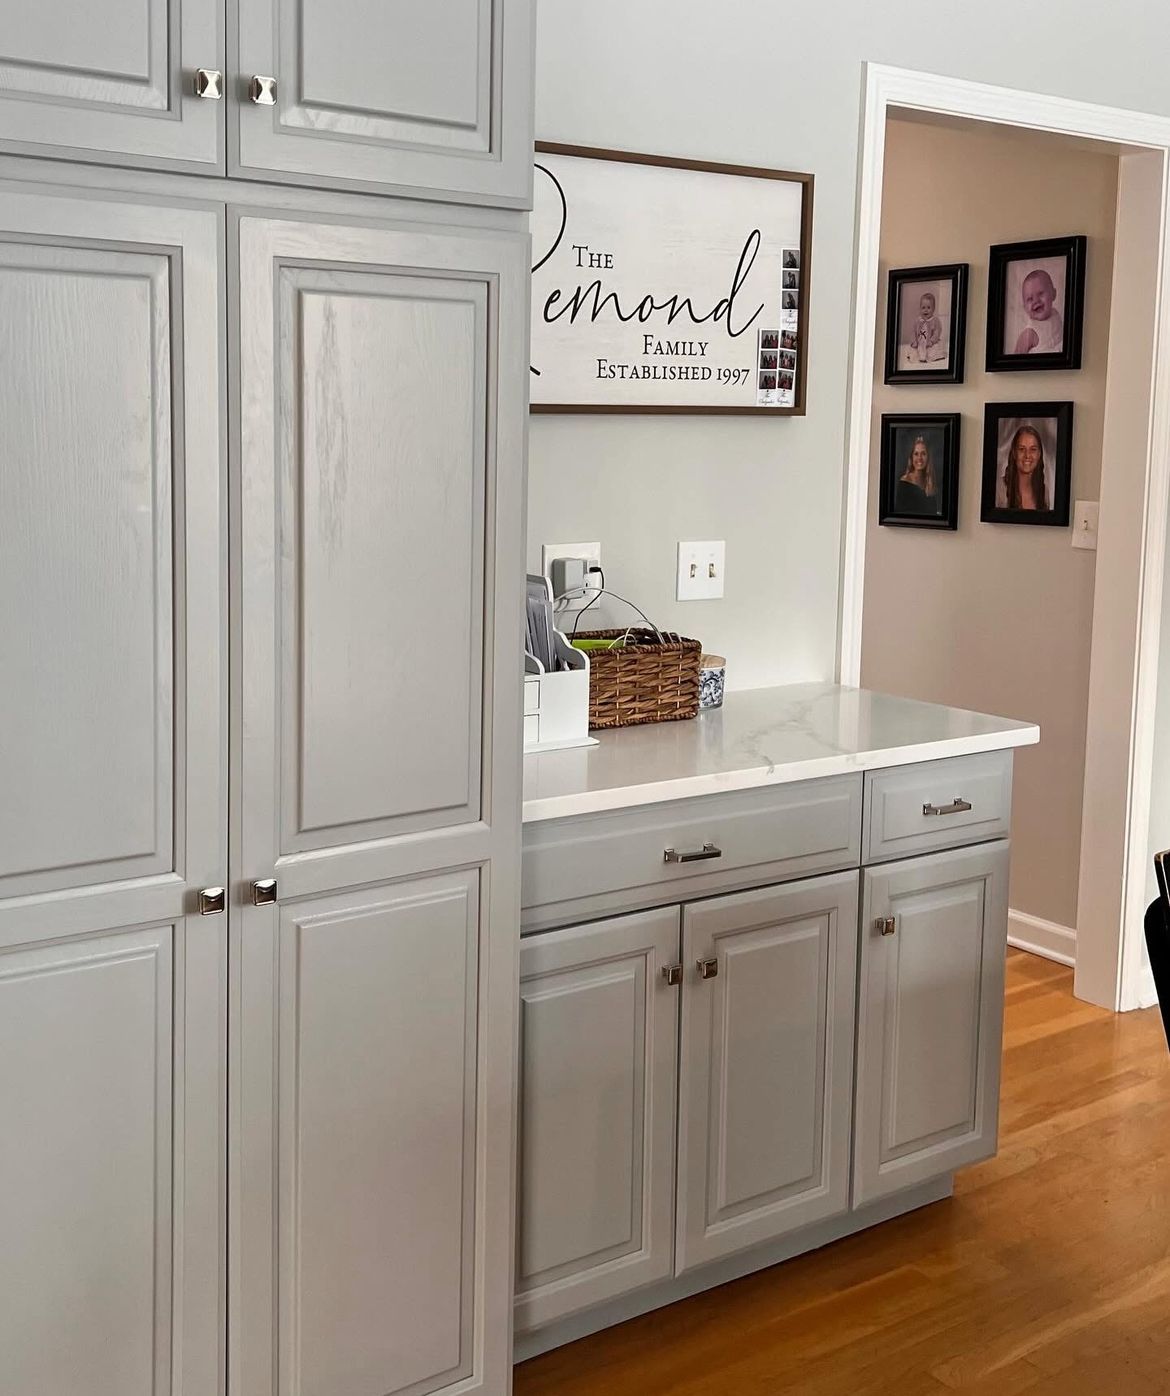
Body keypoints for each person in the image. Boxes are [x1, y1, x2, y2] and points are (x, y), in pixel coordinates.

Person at [1013, 268, 1064, 354]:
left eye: (1040, 294)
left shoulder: (1055, 314)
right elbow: (1015, 360)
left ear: (1053, 294)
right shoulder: (1029, 334)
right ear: (1025, 307)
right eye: (1030, 299)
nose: (1036, 301)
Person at [1001, 424, 1050, 510]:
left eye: (1033, 449)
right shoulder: (1000, 488)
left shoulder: (1044, 492)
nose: (1027, 455)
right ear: (1014, 453)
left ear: (1039, 454)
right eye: (1022, 449)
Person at [894, 436, 938, 515]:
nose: (919, 458)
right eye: (916, 454)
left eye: (923, 454)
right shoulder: (904, 483)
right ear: (911, 457)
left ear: (928, 457)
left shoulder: (930, 483)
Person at [909, 291, 944, 363]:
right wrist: (914, 341)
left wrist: (932, 341)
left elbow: (937, 332)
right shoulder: (917, 321)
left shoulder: (935, 321)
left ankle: (930, 357)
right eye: (923, 307)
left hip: (930, 342)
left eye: (929, 307)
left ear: (933, 309)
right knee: (913, 350)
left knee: (934, 349)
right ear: (920, 308)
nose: (926, 310)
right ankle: (918, 357)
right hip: (919, 342)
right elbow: (913, 332)